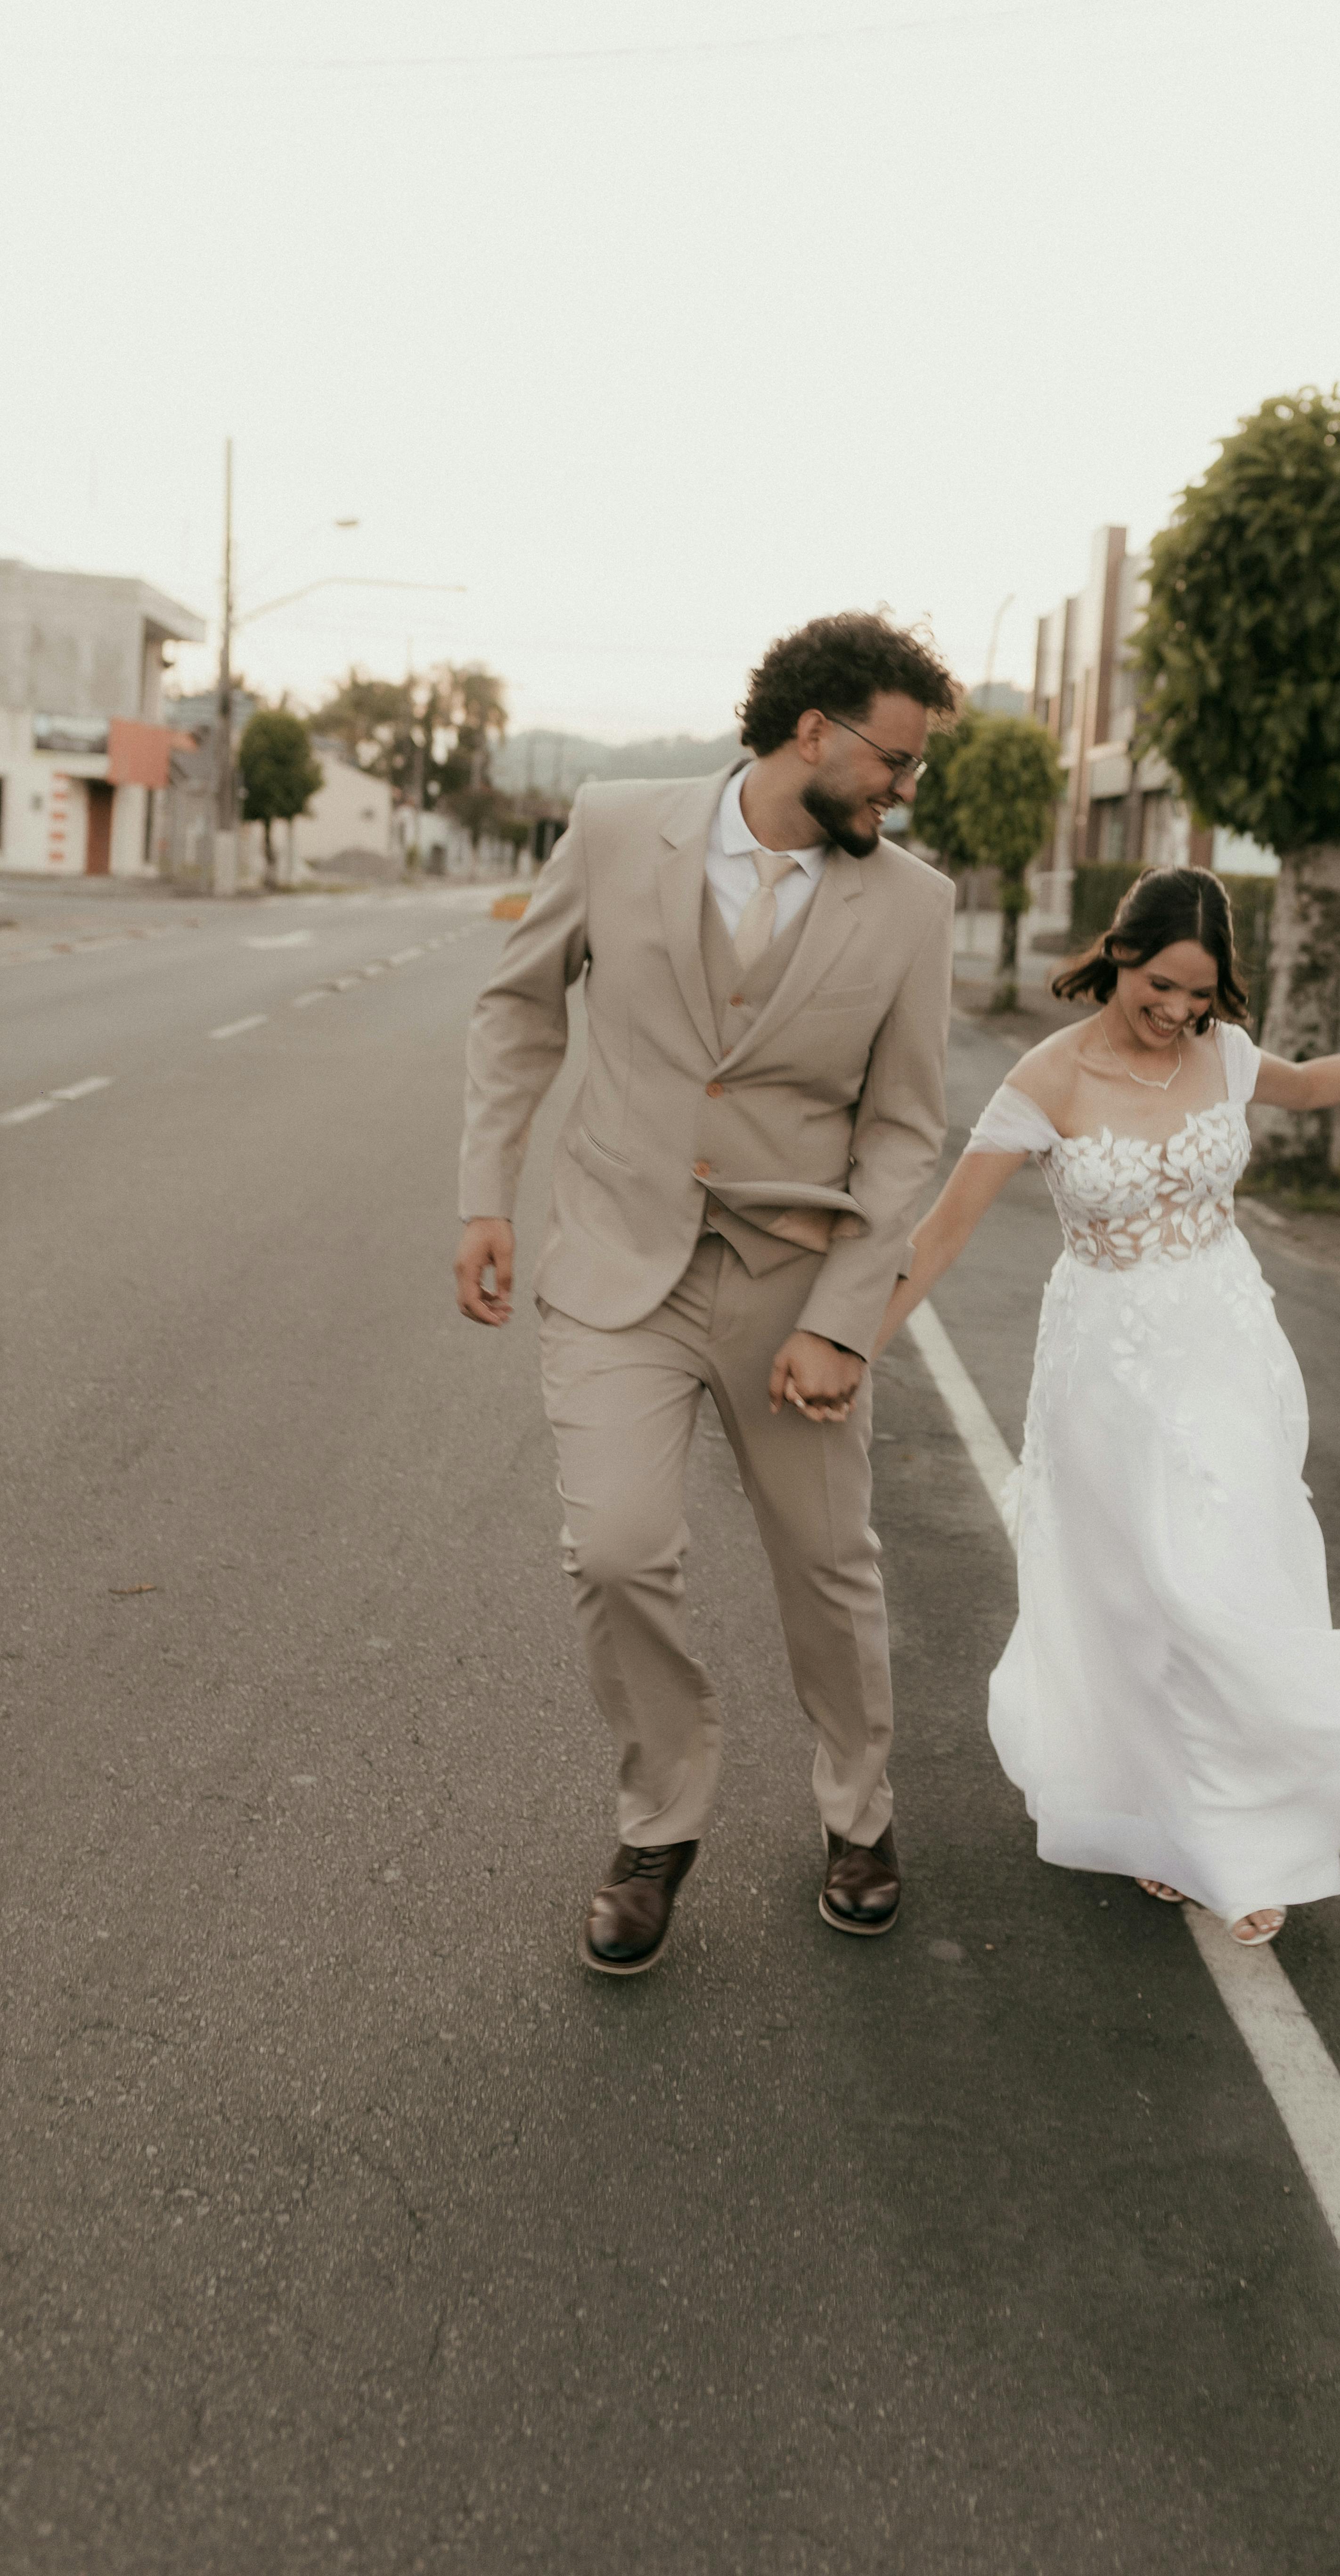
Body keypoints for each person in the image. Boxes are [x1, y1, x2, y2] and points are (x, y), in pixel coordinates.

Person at [875, 865, 1340, 1948]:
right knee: (1146, 1595)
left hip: (1226, 1344)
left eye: (1201, 996)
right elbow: (939, 1236)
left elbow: (1313, 1084)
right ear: (1118, 954)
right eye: (1161, 985)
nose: (1177, 1012)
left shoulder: (1223, 1055)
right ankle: (1168, 1816)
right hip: (1109, 1361)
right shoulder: (1047, 1077)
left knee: (1227, 1577)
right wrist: (849, 1348)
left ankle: (1236, 1823)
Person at [455, 613, 959, 1975]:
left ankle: (860, 1816)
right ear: (816, 732)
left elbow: (908, 1127)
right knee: (615, 1550)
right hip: (620, 1261)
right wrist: (485, 1193)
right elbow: (519, 1007)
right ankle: (659, 1824)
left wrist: (846, 1315)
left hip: (795, 1286)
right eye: (896, 762)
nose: (905, 790)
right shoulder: (619, 826)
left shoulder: (916, 906)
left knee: (826, 1568)